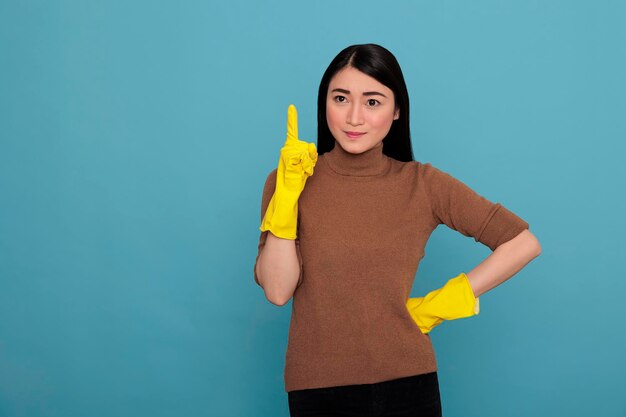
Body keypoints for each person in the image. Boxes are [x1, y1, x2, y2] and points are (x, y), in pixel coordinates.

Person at [253, 43, 541, 417]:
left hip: (408, 383)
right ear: (324, 104)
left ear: (397, 110)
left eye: (372, 102)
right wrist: (288, 198)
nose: (354, 117)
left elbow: (523, 243)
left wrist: (446, 301)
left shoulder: (422, 184)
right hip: (317, 388)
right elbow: (277, 291)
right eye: (341, 98)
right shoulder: (287, 180)